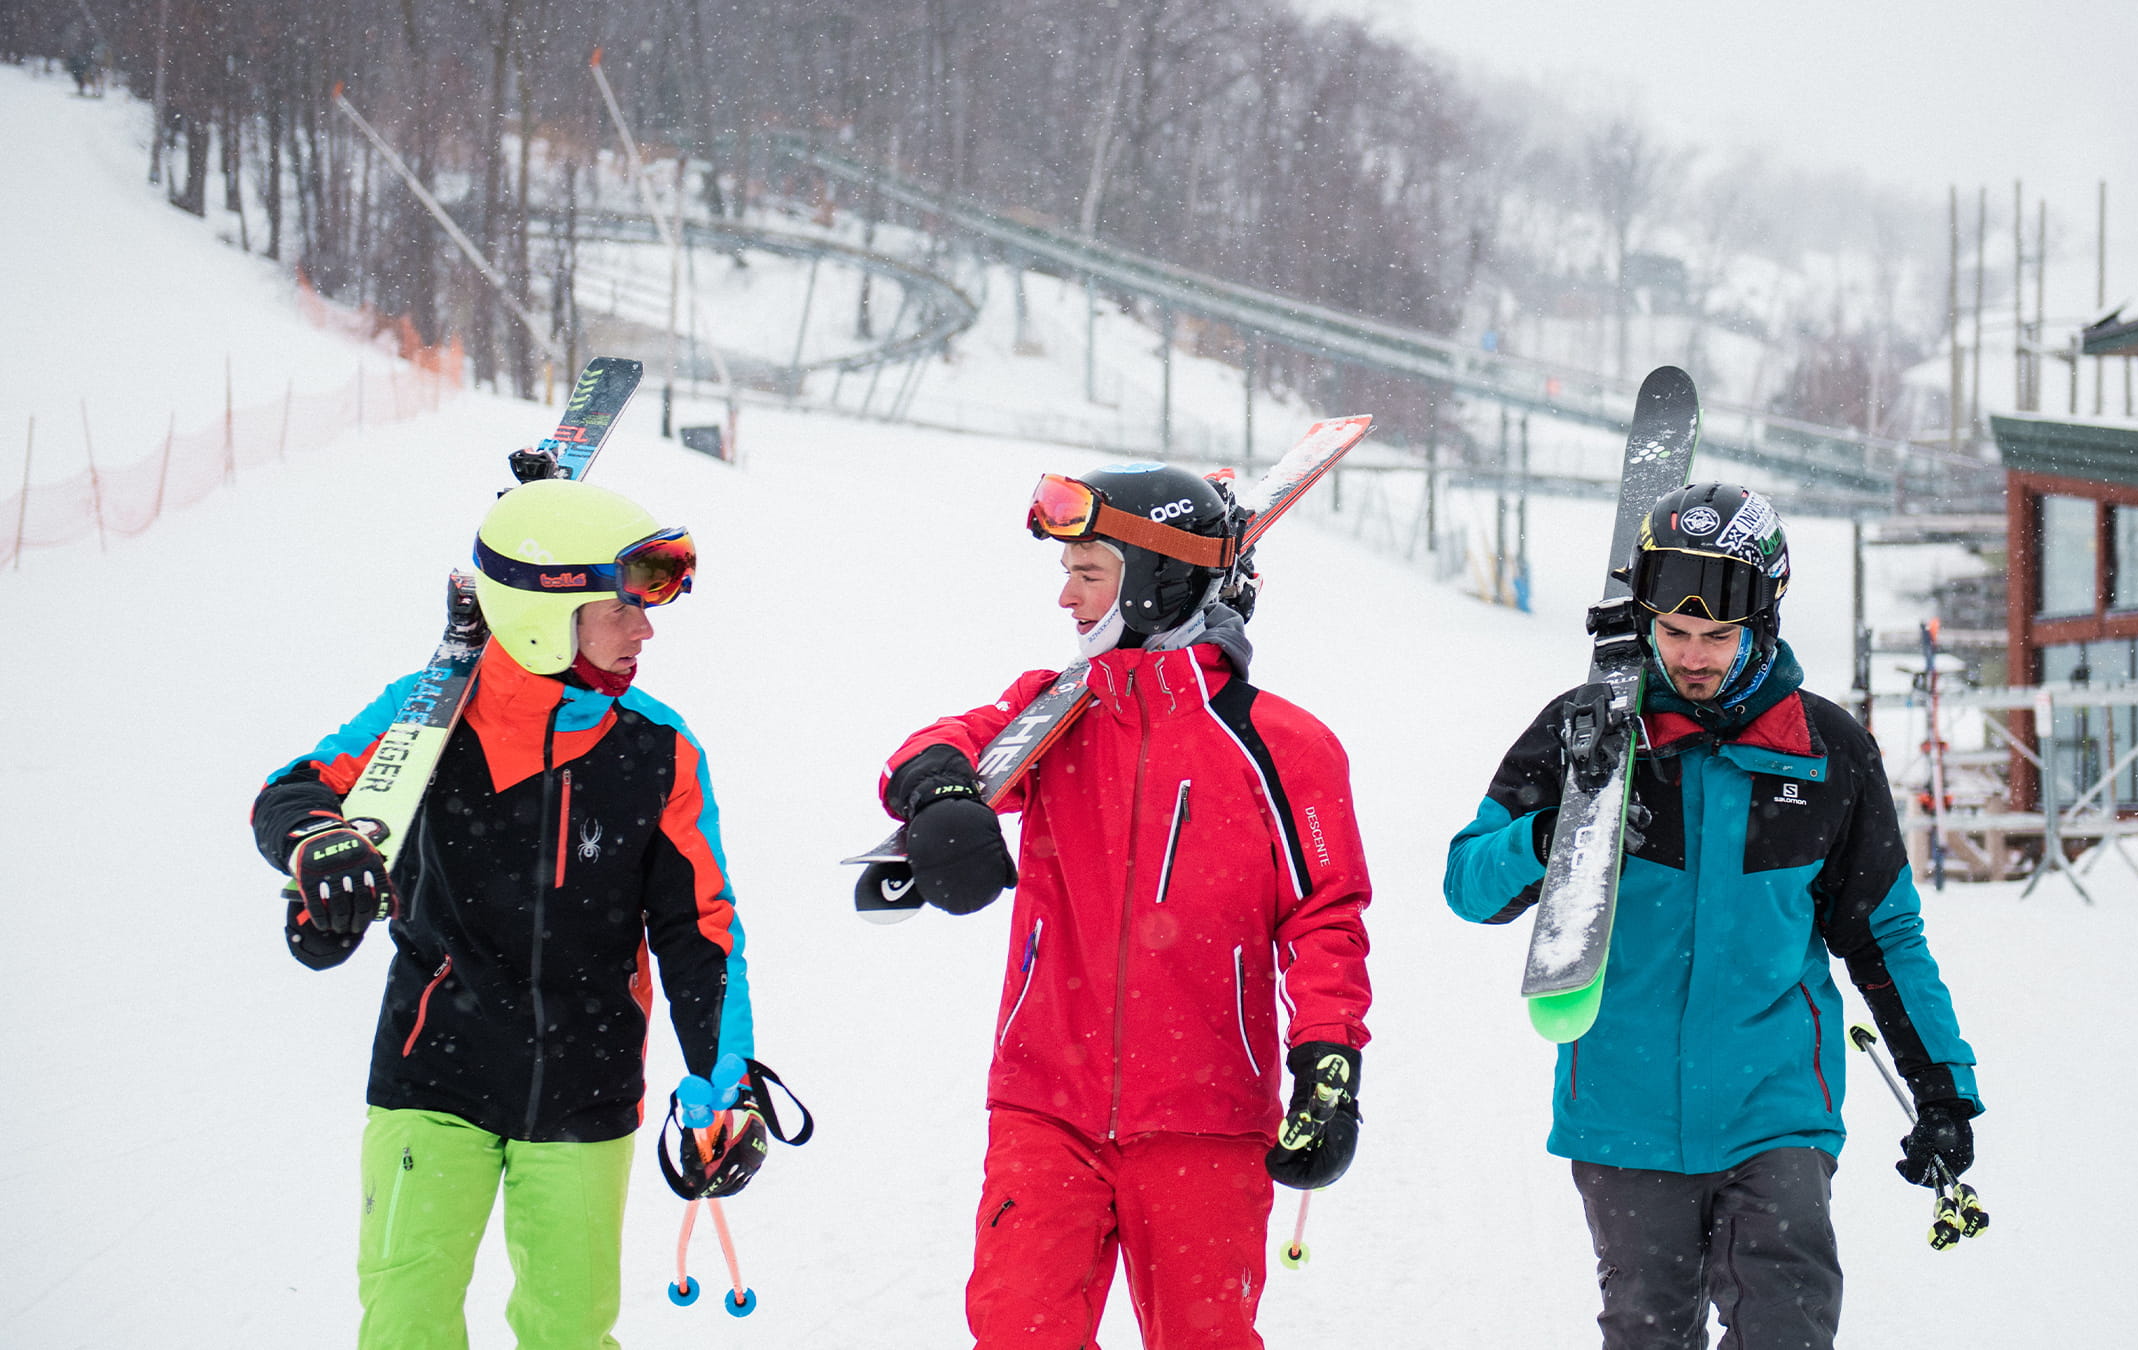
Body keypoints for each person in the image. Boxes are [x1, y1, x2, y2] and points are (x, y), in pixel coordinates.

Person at [1443, 482, 1981, 1349]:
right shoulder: (1587, 731)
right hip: (1624, 1109)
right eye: (1674, 634)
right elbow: (1468, 884)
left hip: (1775, 1110)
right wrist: (1564, 825)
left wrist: (1942, 1088)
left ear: (1762, 623)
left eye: (1717, 636)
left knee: (1789, 1327)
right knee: (1649, 1336)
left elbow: (1884, 936)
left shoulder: (1829, 754)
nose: (1693, 657)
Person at [252, 478, 773, 1350]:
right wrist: (318, 846)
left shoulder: (658, 749)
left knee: (567, 1332)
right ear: (543, 613)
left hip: (585, 1087)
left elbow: (700, 933)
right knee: (405, 1323)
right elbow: (295, 790)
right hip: (433, 1073)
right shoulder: (426, 717)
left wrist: (728, 1084)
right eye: (625, 609)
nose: (646, 631)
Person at [875, 462, 1373, 1350]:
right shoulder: (1054, 709)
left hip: (1206, 1115)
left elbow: (1325, 920)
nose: (1065, 599)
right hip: (1045, 1102)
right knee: (1017, 1333)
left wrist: (1329, 1063)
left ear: (1151, 582)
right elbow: (936, 746)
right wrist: (941, 794)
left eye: (1088, 573)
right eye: (1067, 573)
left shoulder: (1283, 746)